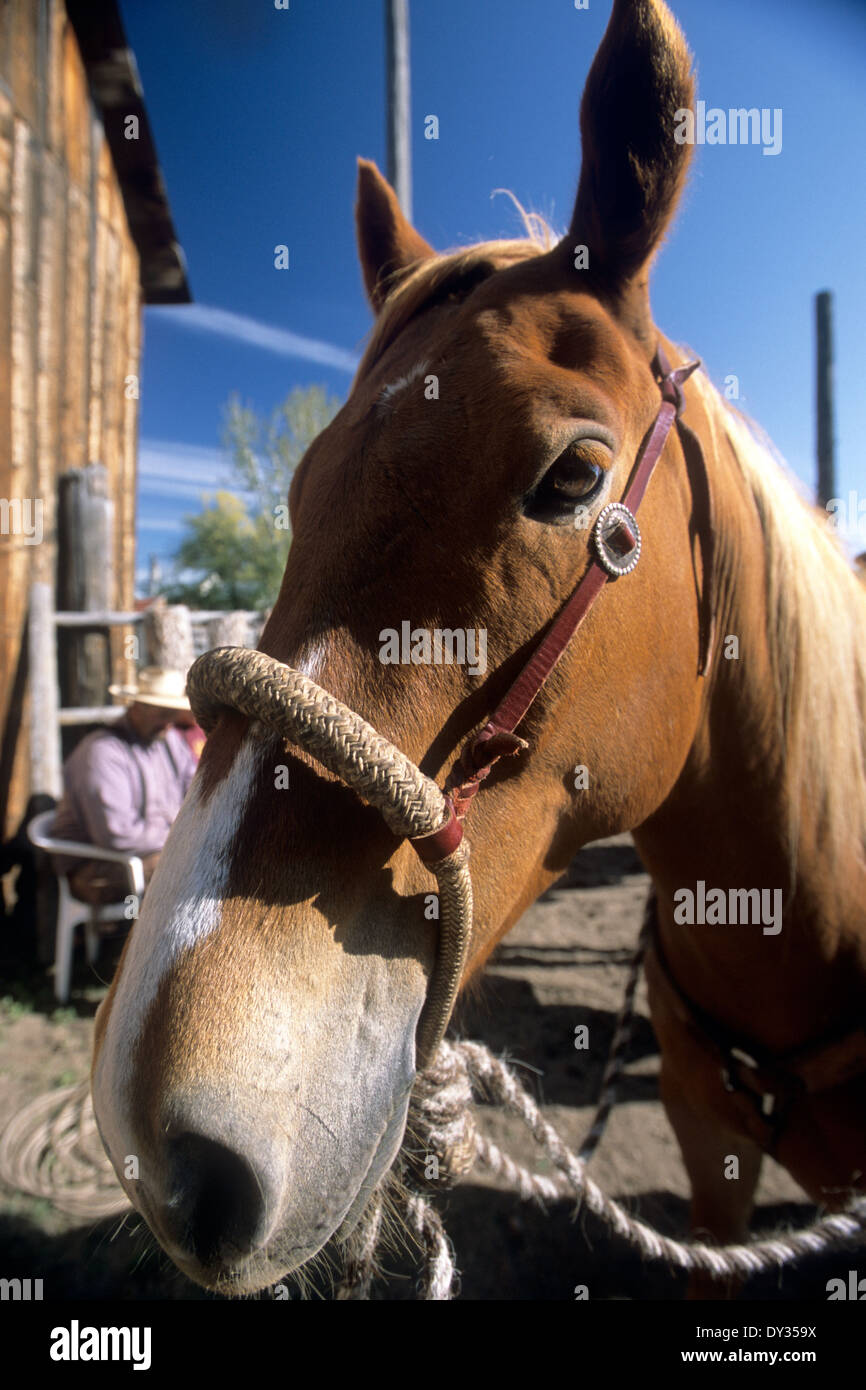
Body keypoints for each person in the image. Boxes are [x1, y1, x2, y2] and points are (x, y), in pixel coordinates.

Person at [51, 667, 198, 905]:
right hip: (97, 868)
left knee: (206, 861)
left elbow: (195, 795)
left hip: (153, 853)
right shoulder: (102, 752)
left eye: (173, 715)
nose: (168, 723)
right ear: (137, 708)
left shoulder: (169, 742)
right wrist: (183, 838)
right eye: (162, 713)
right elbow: (117, 836)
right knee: (191, 867)